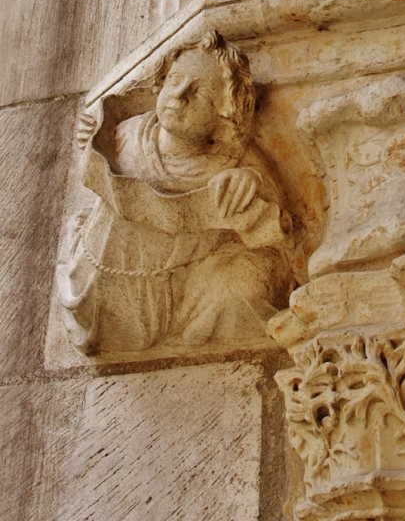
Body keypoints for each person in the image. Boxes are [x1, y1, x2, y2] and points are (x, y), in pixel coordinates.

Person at [57, 31, 293, 356]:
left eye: (199, 93)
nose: (178, 96)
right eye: (175, 80)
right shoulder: (126, 136)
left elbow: (274, 226)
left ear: (225, 112)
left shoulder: (235, 165)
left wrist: (251, 184)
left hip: (191, 288)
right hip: (117, 279)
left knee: (244, 291)